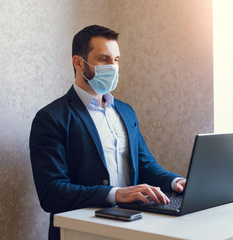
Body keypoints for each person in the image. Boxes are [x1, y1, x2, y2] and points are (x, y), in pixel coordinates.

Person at [29, 25, 186, 240]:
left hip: (131, 227)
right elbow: (51, 192)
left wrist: (175, 181)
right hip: (81, 232)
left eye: (116, 60)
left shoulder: (125, 111)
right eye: (104, 59)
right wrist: (115, 194)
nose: (113, 66)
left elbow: (145, 165)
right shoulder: (51, 118)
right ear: (78, 62)